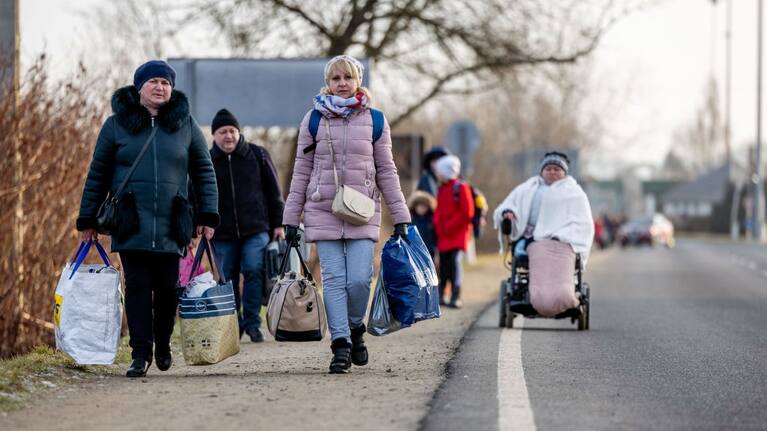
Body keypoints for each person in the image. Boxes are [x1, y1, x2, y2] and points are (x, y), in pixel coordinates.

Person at [77, 60, 219, 377]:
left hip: (172, 222)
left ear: (172, 88)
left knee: (168, 288)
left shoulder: (186, 125)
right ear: (139, 87)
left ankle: (163, 343)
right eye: (153, 81)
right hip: (130, 221)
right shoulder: (116, 126)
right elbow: (97, 174)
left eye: (166, 82)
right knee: (138, 287)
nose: (160, 87)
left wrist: (207, 215)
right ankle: (140, 353)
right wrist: (87, 219)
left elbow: (204, 172)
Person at [282, 55, 411, 374]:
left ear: (358, 81)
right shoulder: (313, 119)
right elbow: (301, 170)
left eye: (347, 78)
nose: (342, 84)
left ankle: (356, 329)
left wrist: (401, 215)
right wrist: (290, 217)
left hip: (363, 211)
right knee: (335, 280)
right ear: (328, 83)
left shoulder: (376, 120)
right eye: (336, 78)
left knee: (359, 279)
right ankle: (340, 344)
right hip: (322, 208)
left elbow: (387, 170)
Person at [206, 108, 285, 343]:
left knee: (253, 270)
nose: (228, 136)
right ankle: (235, 324)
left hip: (256, 228)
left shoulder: (257, 155)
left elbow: (274, 191)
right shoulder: (207, 160)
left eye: (232, 131)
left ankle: (252, 324)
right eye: (222, 132)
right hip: (222, 232)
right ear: (214, 136)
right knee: (227, 277)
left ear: (239, 133)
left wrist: (278, 224)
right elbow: (196, 195)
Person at [492, 151, 593, 259]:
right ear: (542, 172)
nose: (552, 172)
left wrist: (563, 236)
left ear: (564, 173)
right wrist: (508, 212)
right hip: (529, 235)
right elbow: (509, 203)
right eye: (548, 169)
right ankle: (525, 247)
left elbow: (583, 221)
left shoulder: (575, 192)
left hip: (559, 239)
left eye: (556, 169)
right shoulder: (527, 187)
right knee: (527, 246)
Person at [432, 155, 474, 308]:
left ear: (447, 172)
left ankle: (456, 295)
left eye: (440, 172)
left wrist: (450, 225)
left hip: (457, 235)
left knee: (455, 263)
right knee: (444, 266)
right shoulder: (441, 189)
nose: (438, 175)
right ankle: (442, 295)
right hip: (444, 236)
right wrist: (437, 224)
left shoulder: (461, 188)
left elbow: (468, 213)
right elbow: (439, 210)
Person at [408, 190, 437, 259]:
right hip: (414, 253)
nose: (422, 208)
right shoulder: (410, 220)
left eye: (424, 206)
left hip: (429, 253)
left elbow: (436, 238)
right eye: (420, 205)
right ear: (415, 206)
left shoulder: (432, 220)